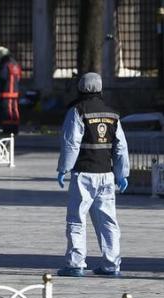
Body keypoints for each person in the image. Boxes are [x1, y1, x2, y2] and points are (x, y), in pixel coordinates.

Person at [56, 72, 130, 277]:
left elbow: (71, 143)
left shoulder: (77, 111)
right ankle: (111, 264)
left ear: (80, 89)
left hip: (84, 174)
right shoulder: (112, 113)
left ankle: (76, 264)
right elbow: (121, 146)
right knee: (108, 221)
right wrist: (122, 173)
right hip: (106, 175)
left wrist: (64, 168)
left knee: (76, 219)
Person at [0, 46, 22, 134]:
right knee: (14, 111)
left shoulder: (4, 65)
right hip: (14, 93)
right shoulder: (15, 64)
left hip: (5, 93)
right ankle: (14, 129)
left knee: (6, 112)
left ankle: (7, 130)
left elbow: (1, 77)